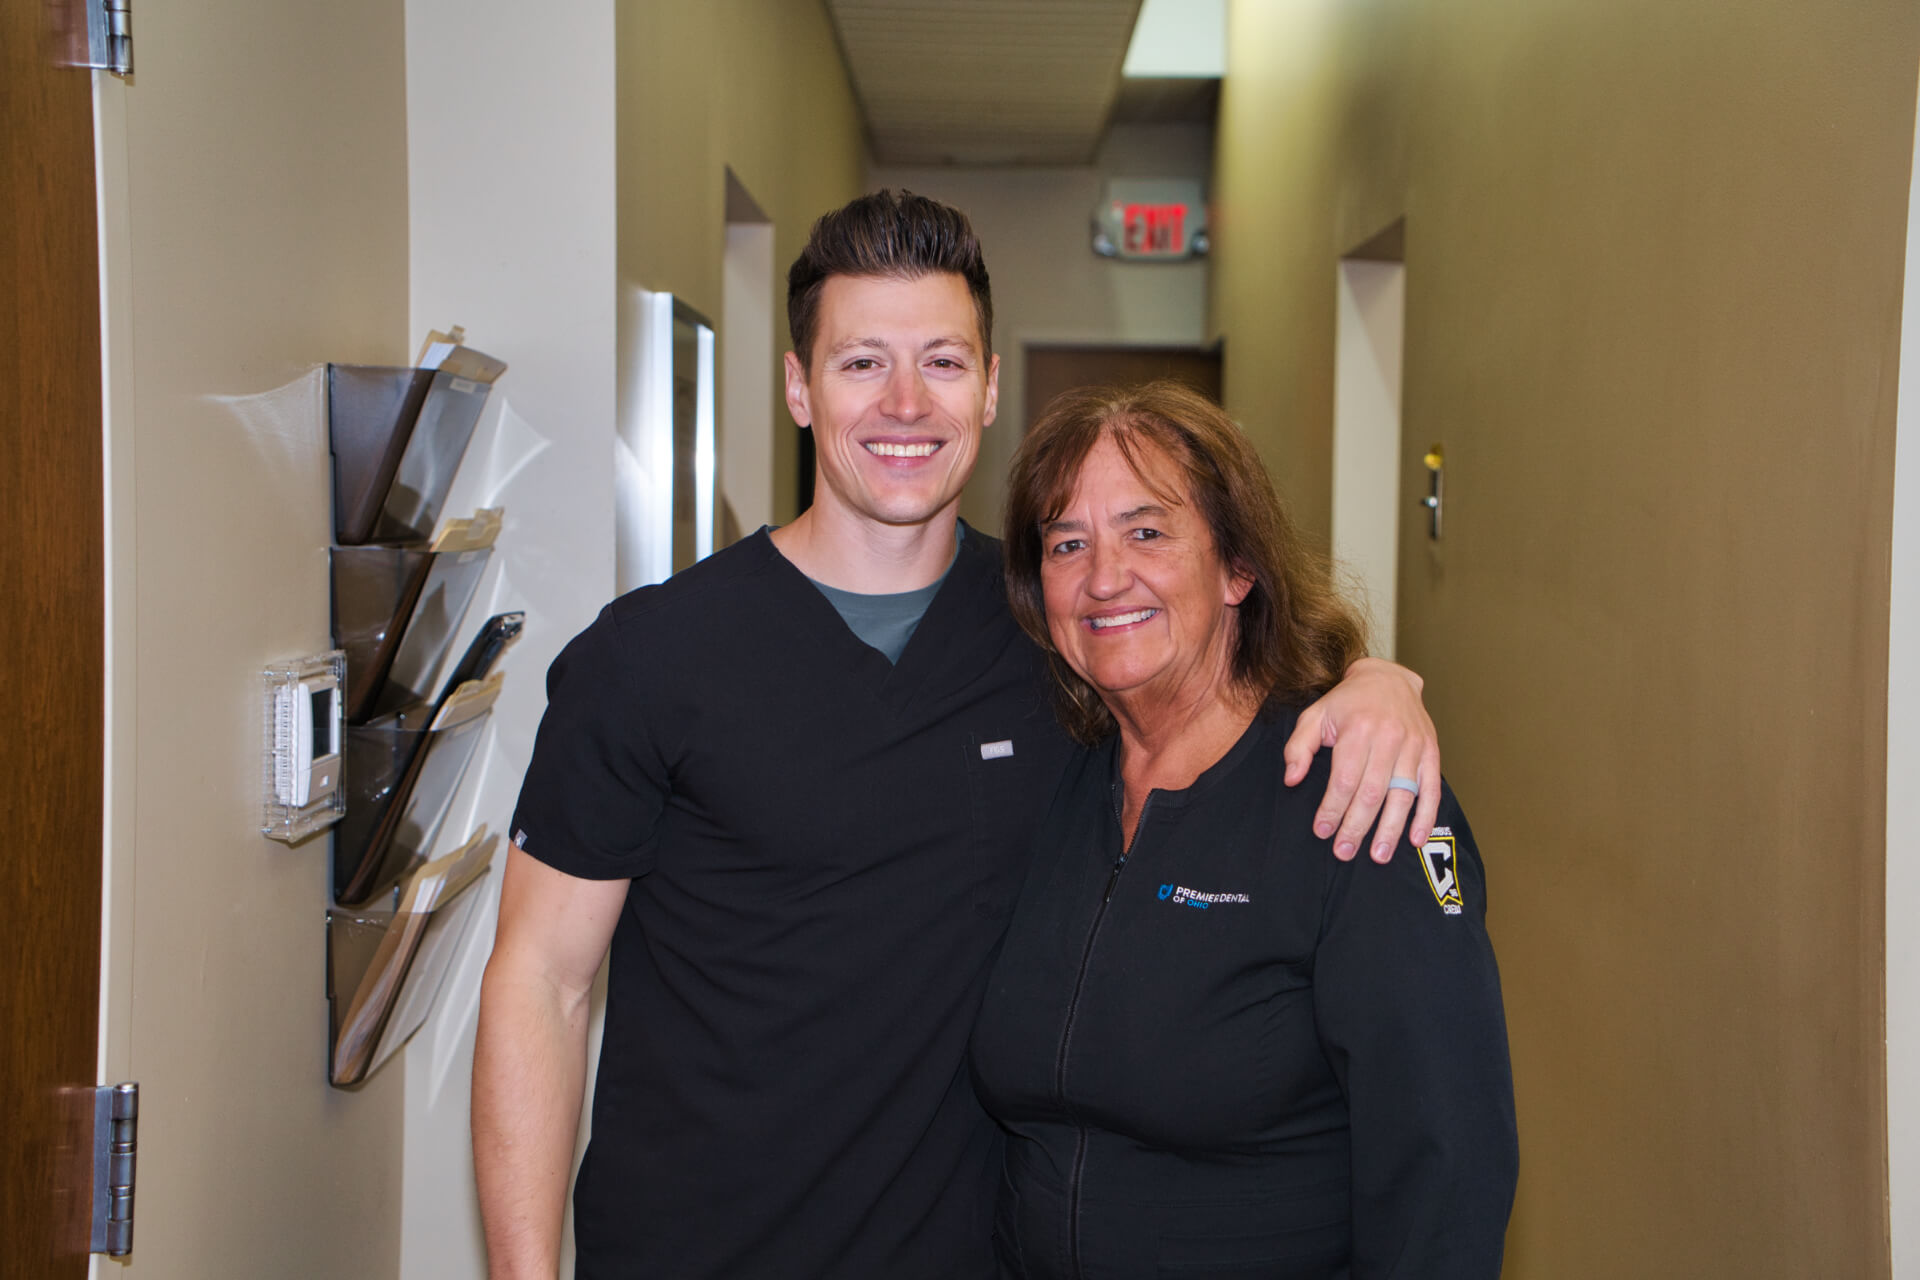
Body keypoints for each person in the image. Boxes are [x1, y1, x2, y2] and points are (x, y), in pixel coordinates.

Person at [473, 191, 1448, 1280]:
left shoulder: (1058, 630)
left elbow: (1224, 673)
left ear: (989, 389)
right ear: (799, 387)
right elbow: (540, 982)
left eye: (941, 361)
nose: (904, 403)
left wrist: (1374, 679)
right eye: (860, 364)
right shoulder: (650, 658)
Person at [970, 381, 1518, 1279]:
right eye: (1068, 543)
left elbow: (1446, 1168)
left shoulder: (1356, 800)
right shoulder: (1053, 781)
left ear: (1239, 568)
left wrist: (1383, 680)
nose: (1104, 577)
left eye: (1147, 532)